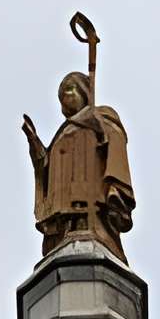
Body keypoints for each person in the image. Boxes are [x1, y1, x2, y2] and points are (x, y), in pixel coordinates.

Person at [23, 70, 135, 261]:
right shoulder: (63, 131)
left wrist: (98, 127)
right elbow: (47, 168)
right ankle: (66, 232)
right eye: (61, 96)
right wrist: (34, 143)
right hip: (64, 198)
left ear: (84, 91)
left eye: (69, 89)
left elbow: (114, 136)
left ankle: (90, 228)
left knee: (89, 222)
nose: (65, 97)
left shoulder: (101, 116)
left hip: (89, 189)